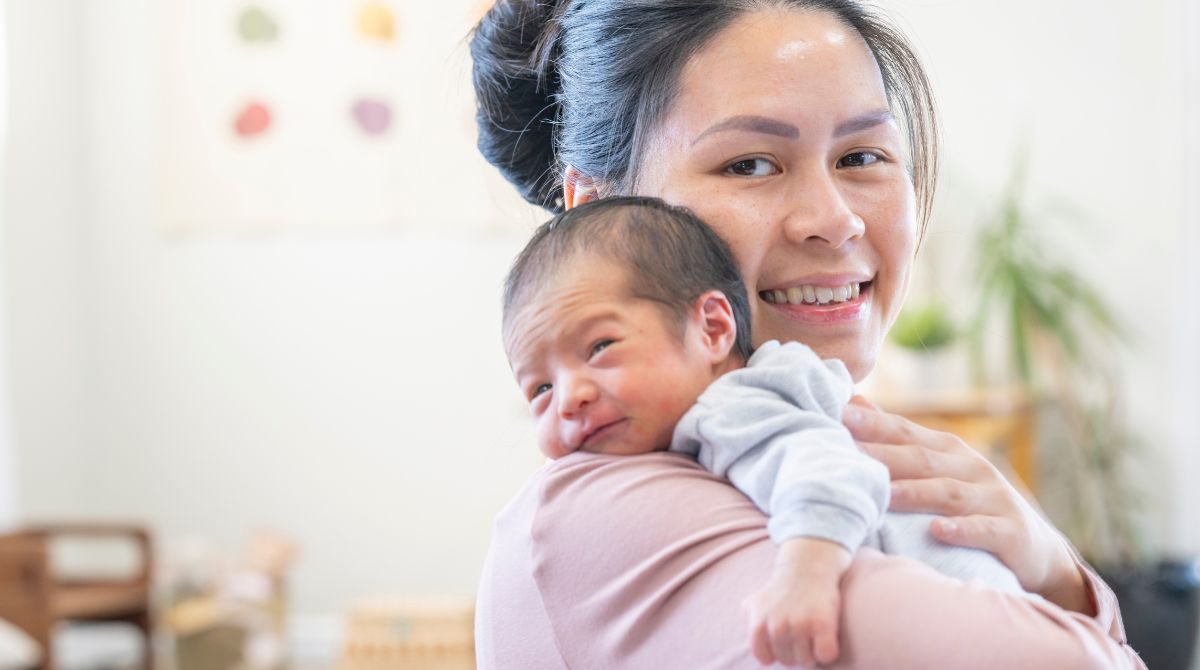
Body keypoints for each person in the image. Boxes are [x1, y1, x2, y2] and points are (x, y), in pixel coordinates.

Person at [470, 0, 1146, 667]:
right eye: (750, 165)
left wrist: (1055, 574)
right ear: (600, 208)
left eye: (861, 156)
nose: (834, 219)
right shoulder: (609, 511)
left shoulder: (805, 439)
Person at [502, 196, 1025, 666]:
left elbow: (833, 471)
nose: (570, 399)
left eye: (600, 348)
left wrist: (805, 575)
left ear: (711, 329)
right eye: (540, 390)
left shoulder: (732, 406)